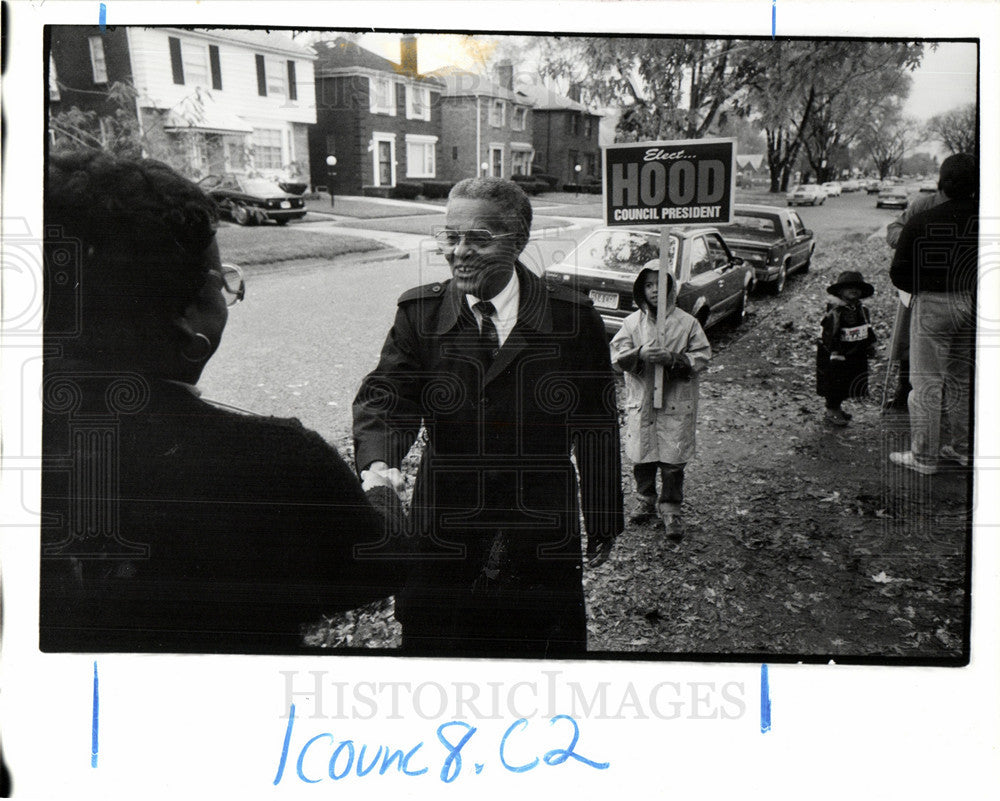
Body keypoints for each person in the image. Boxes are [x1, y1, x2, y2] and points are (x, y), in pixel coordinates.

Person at [41, 149, 403, 653]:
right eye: (221, 280)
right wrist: (380, 487)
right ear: (190, 322)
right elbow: (373, 569)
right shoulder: (273, 460)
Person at [353, 177, 623, 657]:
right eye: (449, 237)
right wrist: (378, 464)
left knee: (538, 650)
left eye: (478, 239)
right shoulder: (421, 314)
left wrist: (602, 513)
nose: (459, 252)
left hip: (539, 518)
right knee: (440, 646)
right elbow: (389, 397)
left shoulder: (572, 319)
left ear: (518, 242)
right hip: (446, 518)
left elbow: (596, 422)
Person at [889, 153, 977, 475]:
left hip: (933, 304)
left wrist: (922, 288)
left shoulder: (924, 221)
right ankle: (964, 448)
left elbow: (898, 272)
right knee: (960, 379)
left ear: (942, 182)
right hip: (971, 302)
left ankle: (925, 457)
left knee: (926, 382)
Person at [609, 262, 711, 541]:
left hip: (674, 401)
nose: (655, 290)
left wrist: (674, 359)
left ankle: (671, 508)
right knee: (642, 454)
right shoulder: (631, 324)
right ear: (641, 290)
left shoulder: (687, 323)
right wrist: (639, 354)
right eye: (649, 285)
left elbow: (702, 356)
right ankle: (645, 499)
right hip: (642, 402)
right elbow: (616, 358)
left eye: (661, 284)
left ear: (672, 288)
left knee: (672, 459)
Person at [884, 178, 949, 409]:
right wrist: (913, 241)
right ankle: (904, 391)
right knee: (908, 341)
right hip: (918, 286)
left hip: (958, 291)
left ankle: (946, 398)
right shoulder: (923, 205)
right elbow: (894, 229)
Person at [816, 271, 878, 426]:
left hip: (855, 351)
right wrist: (835, 352)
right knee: (834, 382)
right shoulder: (835, 312)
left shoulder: (861, 310)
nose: (853, 290)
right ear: (839, 291)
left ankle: (838, 408)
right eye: (848, 287)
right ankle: (832, 410)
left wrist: (870, 344)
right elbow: (830, 333)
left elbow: (867, 328)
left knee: (848, 381)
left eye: (857, 288)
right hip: (837, 353)